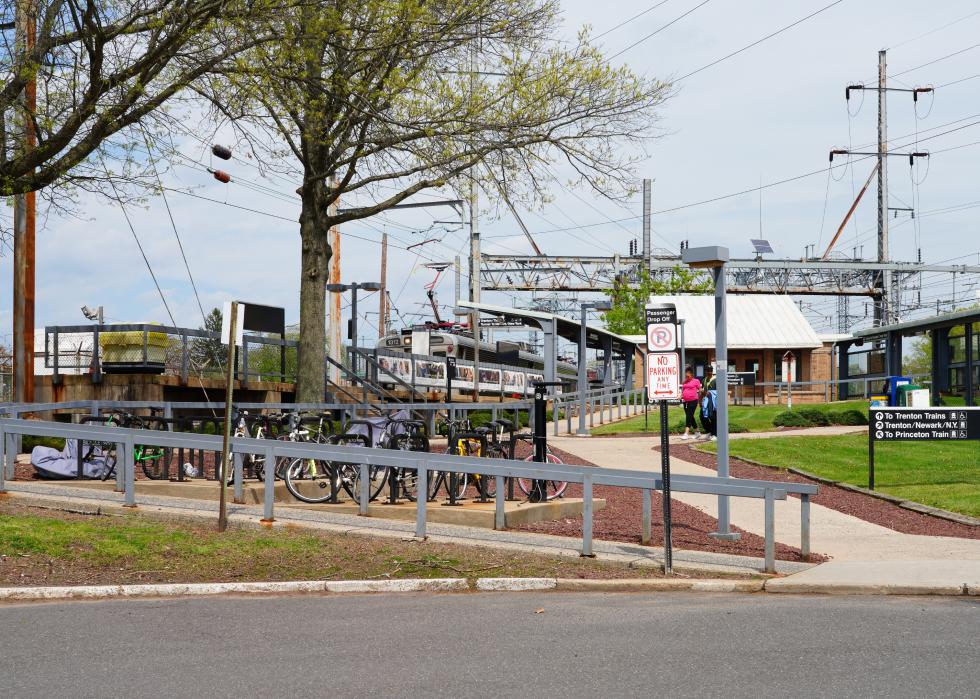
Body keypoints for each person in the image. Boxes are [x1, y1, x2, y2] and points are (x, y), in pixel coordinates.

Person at [680, 366, 701, 440]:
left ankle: (686, 433)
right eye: (686, 375)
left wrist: (701, 400)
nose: (686, 377)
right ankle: (697, 432)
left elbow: (700, 390)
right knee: (691, 417)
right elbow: (683, 391)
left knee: (688, 416)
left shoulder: (696, 381)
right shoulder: (685, 382)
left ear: (691, 374)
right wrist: (681, 396)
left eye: (688, 376)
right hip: (685, 402)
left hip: (693, 401)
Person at [700, 365, 718, 441]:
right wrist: (700, 401)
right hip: (706, 401)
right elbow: (702, 392)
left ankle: (715, 434)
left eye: (710, 370)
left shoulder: (716, 380)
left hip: (714, 401)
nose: (709, 372)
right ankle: (709, 431)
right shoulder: (704, 380)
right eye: (707, 370)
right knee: (702, 416)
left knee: (713, 417)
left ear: (712, 371)